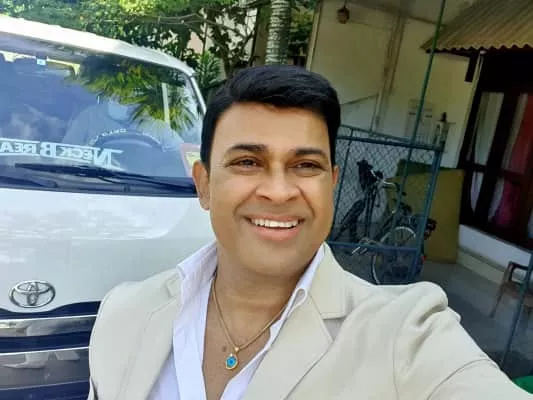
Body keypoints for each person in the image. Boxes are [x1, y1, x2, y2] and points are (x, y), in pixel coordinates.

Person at [87, 65, 532, 400]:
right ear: (204, 184)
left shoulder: (406, 335)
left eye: (305, 165)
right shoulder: (123, 315)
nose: (279, 191)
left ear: (331, 184)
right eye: (248, 162)